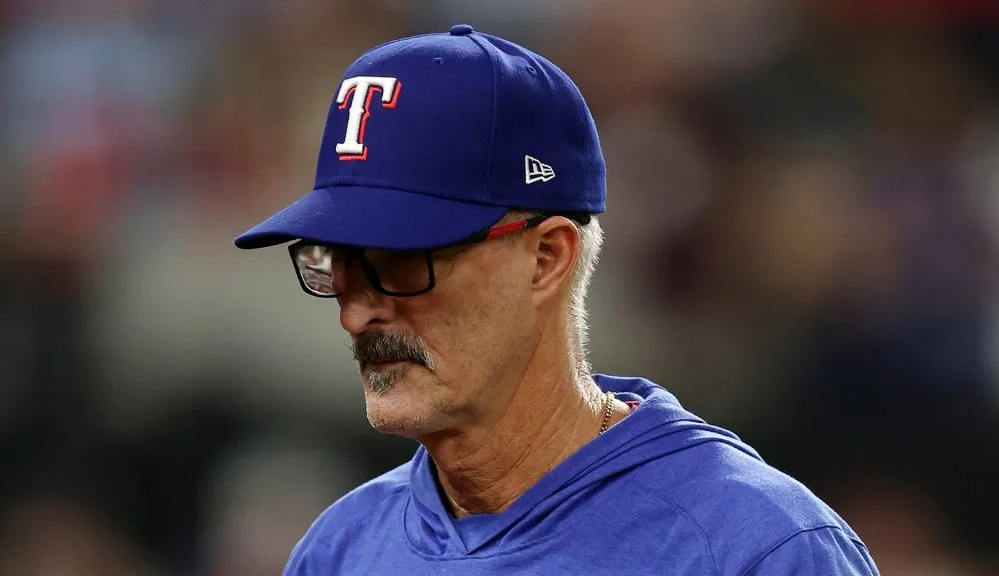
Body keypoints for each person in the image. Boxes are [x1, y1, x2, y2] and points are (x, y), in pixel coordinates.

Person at [234, 24, 880, 576]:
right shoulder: (341, 550)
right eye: (335, 265)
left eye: (401, 262)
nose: (355, 311)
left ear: (547, 258)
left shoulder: (754, 548)